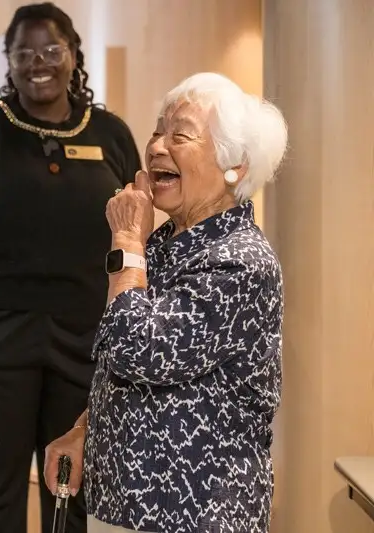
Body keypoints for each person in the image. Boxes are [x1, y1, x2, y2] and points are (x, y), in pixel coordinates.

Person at [0, 3, 141, 532]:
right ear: (9, 60)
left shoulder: (110, 134)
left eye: (51, 49)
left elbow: (134, 220)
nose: (37, 62)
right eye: (24, 52)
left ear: (73, 55)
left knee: (72, 489)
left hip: (84, 338)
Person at [43, 72, 288, 533]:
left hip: (195, 512)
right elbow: (120, 364)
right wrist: (84, 430)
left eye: (181, 134)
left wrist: (127, 242)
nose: (157, 146)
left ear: (234, 164)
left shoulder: (239, 262)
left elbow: (141, 351)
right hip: (129, 503)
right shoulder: (167, 243)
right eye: (157, 130)